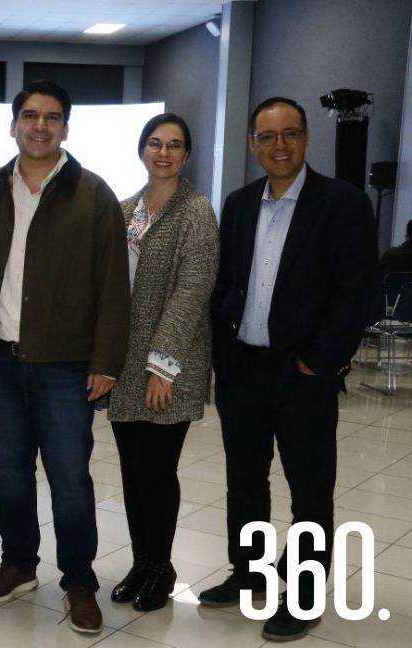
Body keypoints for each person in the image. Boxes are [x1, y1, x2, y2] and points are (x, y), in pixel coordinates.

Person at [200, 97, 377, 642]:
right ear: (253, 144)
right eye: (267, 136)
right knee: (245, 481)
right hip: (243, 369)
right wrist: (223, 351)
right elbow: (226, 281)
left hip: (303, 375)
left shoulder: (342, 203)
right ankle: (249, 570)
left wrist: (319, 360)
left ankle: (302, 595)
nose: (279, 146)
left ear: (305, 139)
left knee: (309, 488)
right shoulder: (238, 203)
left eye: (291, 134)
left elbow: (357, 294)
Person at [0, 80, 129, 635]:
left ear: (66, 127)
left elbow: (114, 286)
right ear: (12, 124)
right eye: (30, 115)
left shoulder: (93, 195)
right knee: (11, 474)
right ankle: (18, 563)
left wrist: (106, 360)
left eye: (52, 117)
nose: (40, 125)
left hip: (65, 366)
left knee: (69, 478)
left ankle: (80, 581)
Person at [106, 113, 219, 612]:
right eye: (155, 143)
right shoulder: (126, 209)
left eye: (174, 145)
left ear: (187, 154)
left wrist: (161, 366)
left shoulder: (196, 212)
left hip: (169, 369)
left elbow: (192, 291)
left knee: (156, 470)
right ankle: (142, 561)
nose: (164, 153)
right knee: (132, 471)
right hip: (125, 364)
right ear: (142, 149)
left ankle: (163, 567)